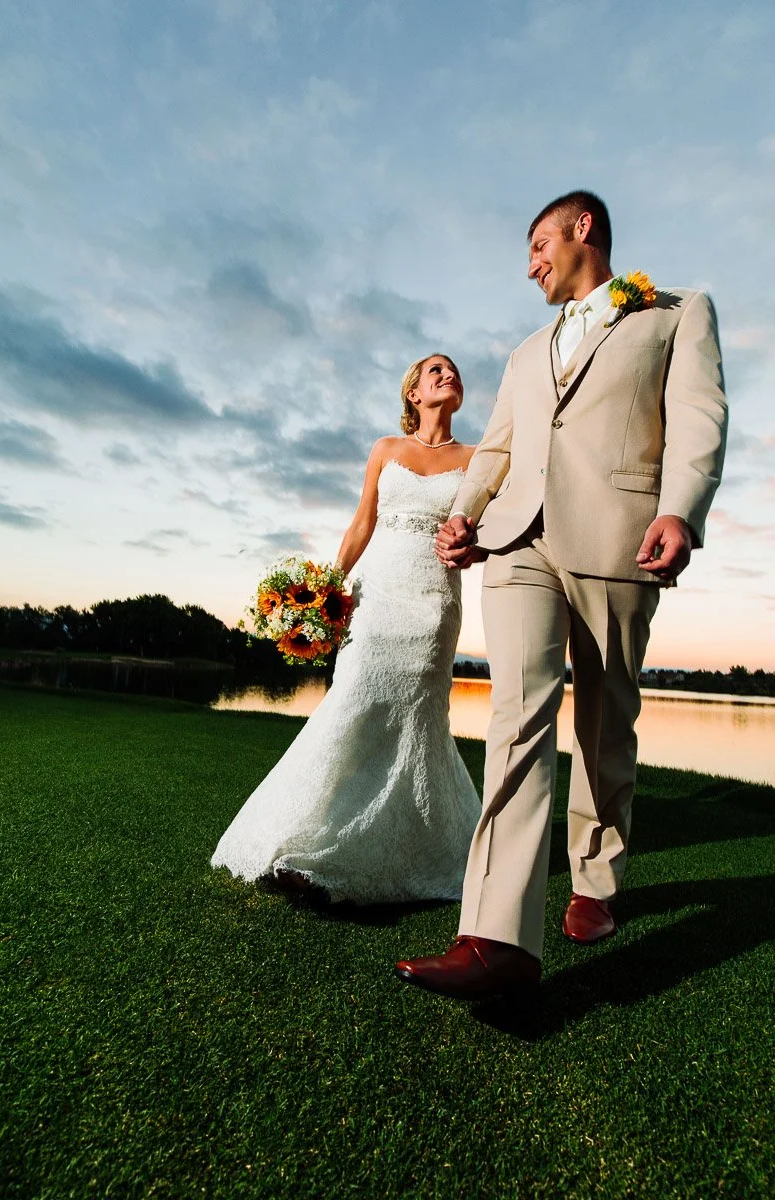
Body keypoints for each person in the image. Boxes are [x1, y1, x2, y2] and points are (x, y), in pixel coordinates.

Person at [396, 191, 728, 999]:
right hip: (517, 543)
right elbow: (499, 447)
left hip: (620, 537)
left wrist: (680, 509)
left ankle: (597, 879)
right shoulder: (522, 353)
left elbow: (698, 414)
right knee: (517, 715)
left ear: (584, 230)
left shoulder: (676, 312)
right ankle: (495, 938)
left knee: (606, 718)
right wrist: (465, 516)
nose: (532, 263)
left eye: (540, 243)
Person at [211, 355, 481, 904]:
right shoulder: (386, 449)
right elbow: (364, 521)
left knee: (416, 718)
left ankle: (402, 850)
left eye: (452, 370)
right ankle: (305, 842)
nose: (447, 375)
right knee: (352, 701)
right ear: (413, 394)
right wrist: (328, 589)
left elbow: (481, 532)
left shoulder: (477, 459)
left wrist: (472, 546)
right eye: (435, 370)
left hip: (433, 605)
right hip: (376, 595)